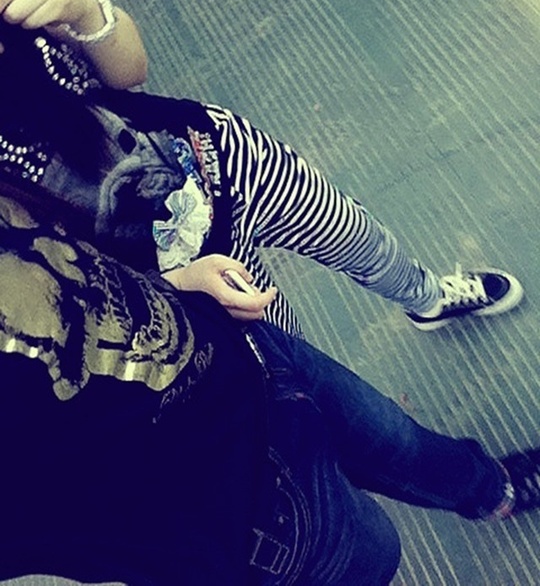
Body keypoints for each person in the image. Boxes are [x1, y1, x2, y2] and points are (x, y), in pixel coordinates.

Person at [0, 178, 538, 586]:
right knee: (373, 553)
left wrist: (166, 286)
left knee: (399, 440)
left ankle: (494, 491)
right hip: (234, 512)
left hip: (244, 353)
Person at [0, 0, 524, 338]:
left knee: (359, 236)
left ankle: (427, 299)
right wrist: (170, 292)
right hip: (182, 277)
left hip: (221, 156)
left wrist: (81, 5)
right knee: (300, 367)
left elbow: (129, 71)